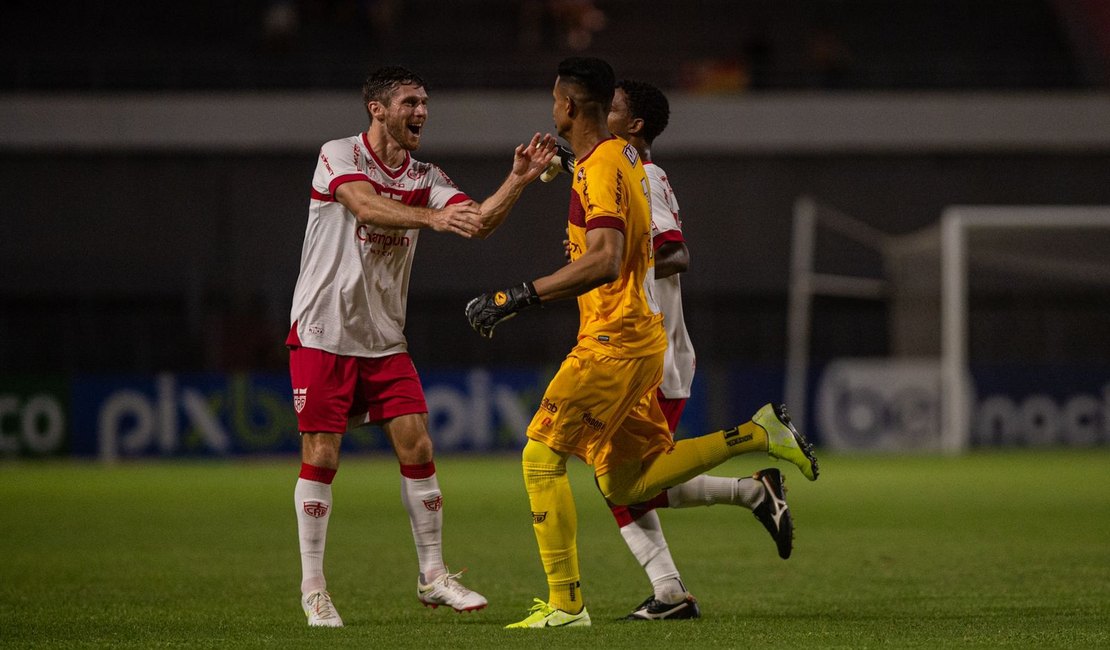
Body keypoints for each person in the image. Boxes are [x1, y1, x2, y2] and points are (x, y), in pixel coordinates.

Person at [465, 56, 819, 629]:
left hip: (615, 339)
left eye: (556, 99)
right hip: (638, 336)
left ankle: (566, 606)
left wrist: (518, 296)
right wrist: (561, 166)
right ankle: (755, 437)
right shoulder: (622, 156)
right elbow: (609, 172)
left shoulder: (614, 164)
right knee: (626, 480)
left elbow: (608, 257)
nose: (552, 108)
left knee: (539, 457)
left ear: (571, 106)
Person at [288, 65, 558, 627]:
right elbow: (364, 206)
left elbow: (476, 222)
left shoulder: (426, 174)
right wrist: (432, 218)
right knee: (322, 455)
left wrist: (519, 180)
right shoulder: (338, 154)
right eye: (411, 102)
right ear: (378, 108)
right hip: (323, 331)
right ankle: (314, 588)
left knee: (418, 445)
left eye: (425, 103)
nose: (422, 113)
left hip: (384, 337)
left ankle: (433, 577)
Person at [600, 79, 797, 621]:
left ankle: (757, 445)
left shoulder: (644, 175)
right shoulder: (618, 170)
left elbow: (676, 254)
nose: (600, 112)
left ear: (635, 125)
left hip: (652, 356)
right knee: (624, 483)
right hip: (631, 354)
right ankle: (748, 499)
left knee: (621, 483)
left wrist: (609, 267)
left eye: (610, 107)